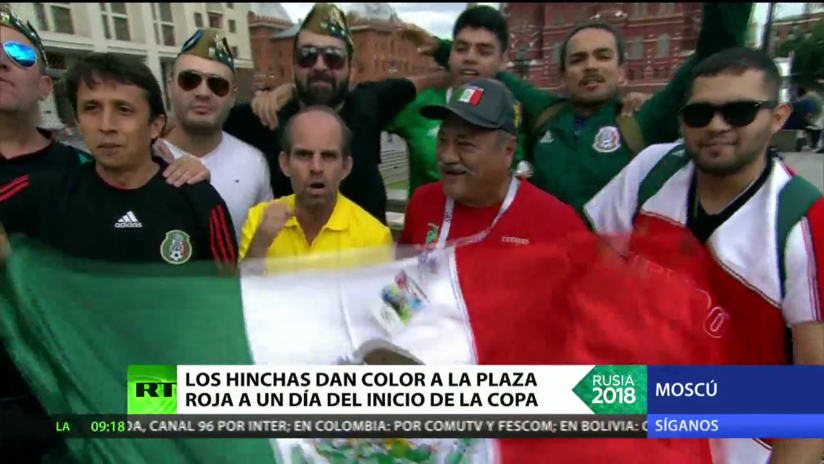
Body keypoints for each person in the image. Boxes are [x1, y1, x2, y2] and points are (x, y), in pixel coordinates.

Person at [584, 47, 824, 463]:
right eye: (700, 114)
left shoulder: (803, 220)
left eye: (739, 112)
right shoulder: (653, 170)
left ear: (778, 118)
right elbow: (594, 273)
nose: (715, 126)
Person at [403, 4, 754, 213]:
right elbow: (488, 68)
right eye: (578, 59)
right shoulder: (546, 112)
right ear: (563, 74)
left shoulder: (644, 120)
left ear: (622, 71)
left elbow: (713, 51)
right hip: (542, 271)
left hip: (613, 282)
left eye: (602, 57)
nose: (590, 67)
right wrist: (440, 47)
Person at [222, 3, 452, 225]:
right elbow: (198, 119)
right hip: (294, 259)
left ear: (351, 68)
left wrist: (439, 47)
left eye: (333, 57)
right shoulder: (267, 115)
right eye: (307, 56)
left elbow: (460, 74)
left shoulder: (370, 101)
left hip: (368, 259)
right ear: (293, 66)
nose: (320, 66)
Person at [0, 52, 237, 265]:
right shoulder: (42, 194)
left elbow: (227, 292)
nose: (106, 125)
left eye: (123, 110)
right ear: (78, 122)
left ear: (155, 125)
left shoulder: (199, 200)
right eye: (92, 108)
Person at [398, 78, 587, 248]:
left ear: (508, 151)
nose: (448, 156)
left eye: (465, 144)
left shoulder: (557, 223)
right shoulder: (422, 202)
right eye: (442, 140)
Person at [239, 105, 391, 264]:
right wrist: (259, 245)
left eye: (328, 156)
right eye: (304, 155)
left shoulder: (374, 236)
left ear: (346, 167)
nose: (316, 167)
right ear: (285, 164)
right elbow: (244, 287)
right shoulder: (258, 220)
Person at [163, 28, 273, 240]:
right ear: (170, 87)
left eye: (217, 85)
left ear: (232, 97)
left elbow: (264, 247)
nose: (203, 92)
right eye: (190, 80)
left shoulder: (253, 162)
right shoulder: (143, 158)